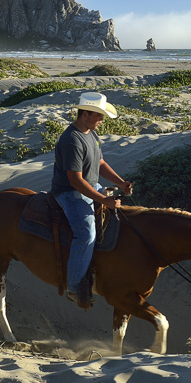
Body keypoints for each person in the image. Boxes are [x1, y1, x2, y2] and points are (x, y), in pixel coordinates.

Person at [51, 92, 134, 308]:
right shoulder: (72, 140)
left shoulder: (91, 134)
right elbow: (75, 181)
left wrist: (121, 182)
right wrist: (102, 200)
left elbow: (100, 163)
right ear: (85, 113)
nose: (102, 120)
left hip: (91, 185)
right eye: (98, 116)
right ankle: (75, 287)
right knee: (86, 234)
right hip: (70, 193)